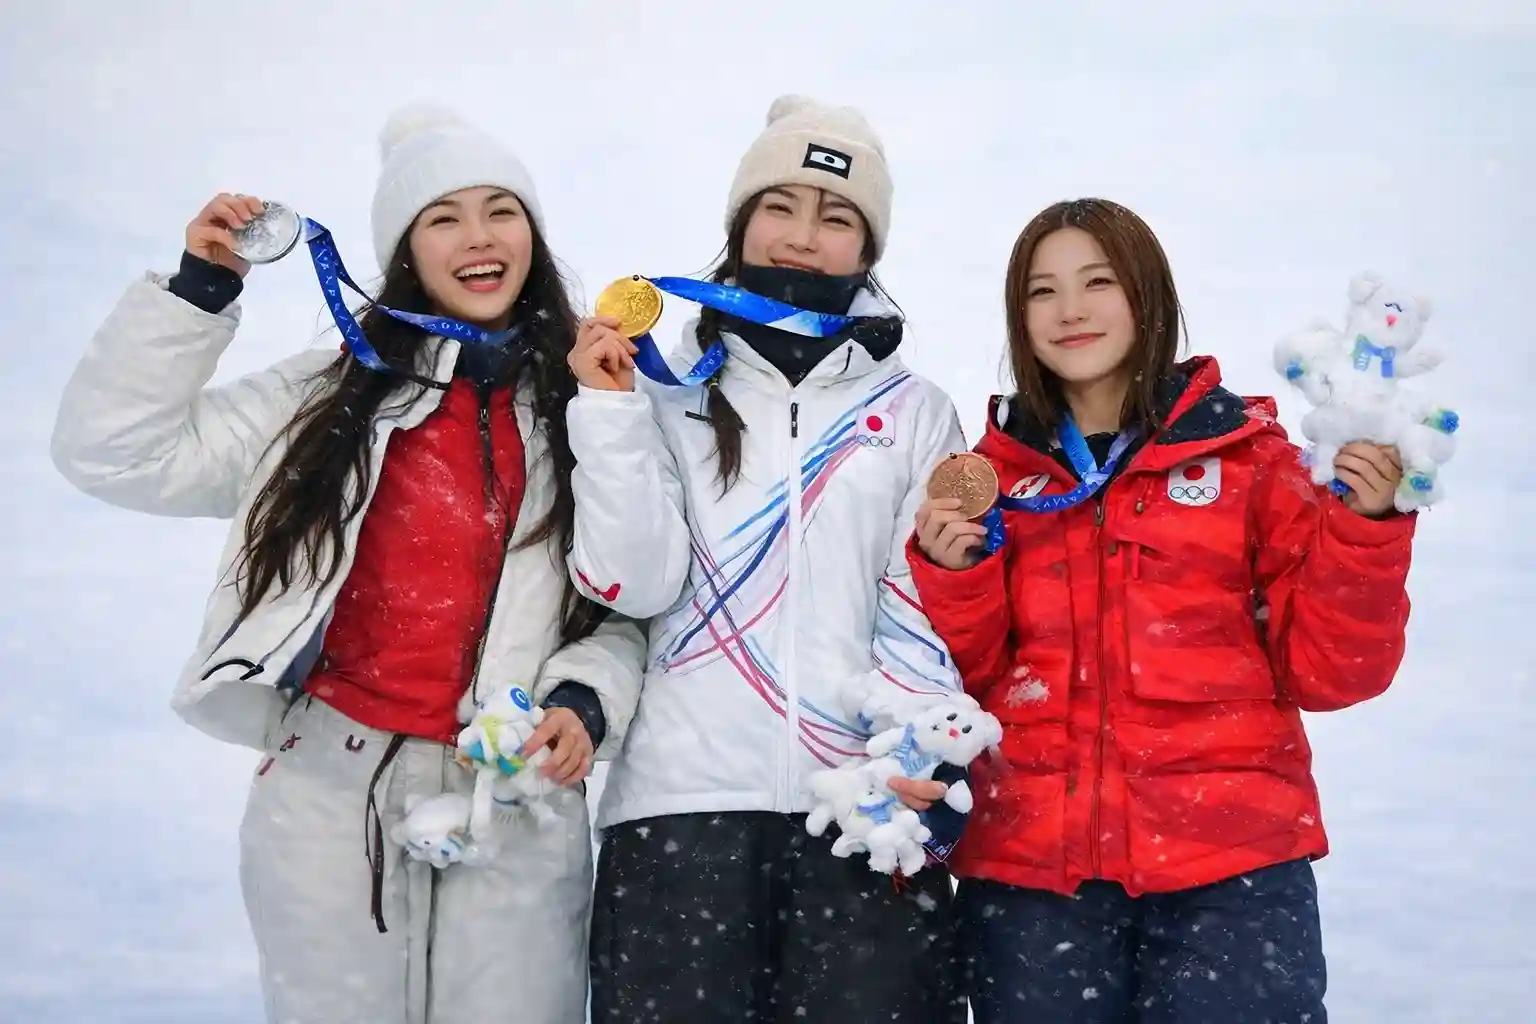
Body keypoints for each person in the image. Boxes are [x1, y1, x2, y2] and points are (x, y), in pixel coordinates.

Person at [50, 105, 643, 1024]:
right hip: (331, 788)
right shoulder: (327, 394)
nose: (479, 238)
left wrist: (585, 698)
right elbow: (115, 452)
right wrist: (200, 292)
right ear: (406, 250)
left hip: (517, 791)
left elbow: (632, 600)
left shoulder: (591, 401)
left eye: (501, 211)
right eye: (443, 218)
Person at [907, 197, 1417, 1023]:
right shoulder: (993, 480)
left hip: (1233, 875)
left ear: (1149, 295)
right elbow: (966, 692)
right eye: (1042, 291)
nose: (1070, 310)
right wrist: (954, 575)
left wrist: (1366, 529)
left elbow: (1335, 674)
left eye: (1097, 282)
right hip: (1034, 883)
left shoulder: (1253, 464)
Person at [563, 95, 971, 1023]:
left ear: (869, 251)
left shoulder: (914, 414)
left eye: (837, 218)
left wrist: (914, 764)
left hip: (863, 814)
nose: (803, 236)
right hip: (678, 816)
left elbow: (918, 610)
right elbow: (630, 582)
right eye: (779, 206)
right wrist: (610, 412)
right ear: (739, 224)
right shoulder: (661, 391)